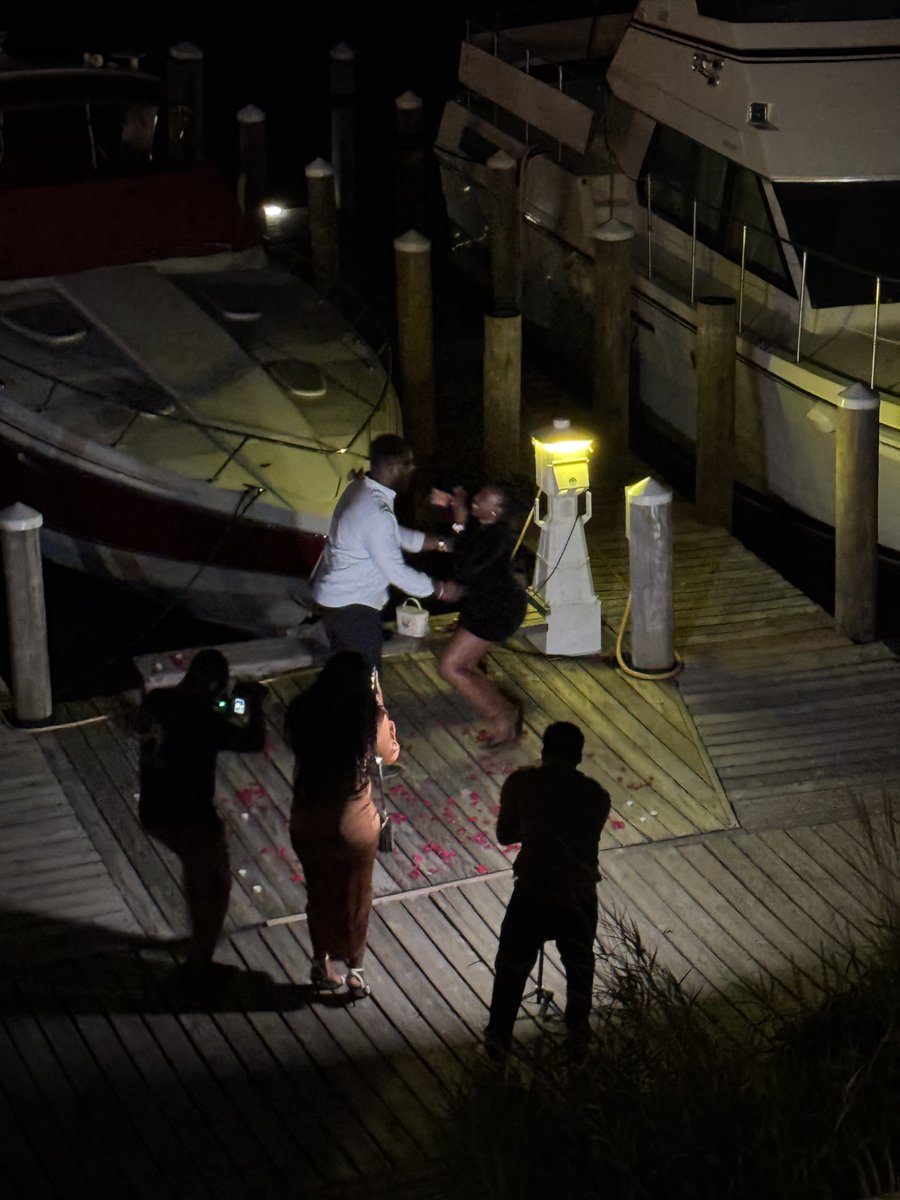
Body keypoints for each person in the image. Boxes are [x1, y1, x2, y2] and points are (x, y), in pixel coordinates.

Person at [136, 649, 267, 982]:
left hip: (154, 809)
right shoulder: (205, 721)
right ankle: (198, 968)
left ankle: (197, 948)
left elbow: (216, 718)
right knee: (214, 887)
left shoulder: (158, 700)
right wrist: (254, 706)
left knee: (197, 873)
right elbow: (251, 740)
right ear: (213, 685)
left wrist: (231, 704)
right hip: (191, 817)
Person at [485, 721, 611, 1058]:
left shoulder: (523, 783)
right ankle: (578, 1037)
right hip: (577, 891)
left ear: (544, 752)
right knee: (580, 966)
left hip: (534, 888)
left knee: (512, 966)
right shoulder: (597, 796)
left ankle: (498, 1038)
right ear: (579, 757)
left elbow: (506, 835)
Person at [284, 651, 401, 1000]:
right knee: (356, 897)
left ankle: (321, 964)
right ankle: (355, 971)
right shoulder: (369, 717)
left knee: (318, 892)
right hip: (353, 821)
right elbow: (390, 754)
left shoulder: (301, 710)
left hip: (309, 815)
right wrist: (381, 705)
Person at [313, 434, 462, 674]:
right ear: (392, 468)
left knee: (346, 677)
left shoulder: (361, 489)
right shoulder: (375, 511)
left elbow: (388, 534)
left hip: (340, 602)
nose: (412, 469)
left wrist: (437, 543)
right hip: (352, 610)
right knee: (366, 684)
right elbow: (395, 571)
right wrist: (439, 589)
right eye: (408, 463)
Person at [431, 481, 528, 746]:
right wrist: (458, 517)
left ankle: (502, 715)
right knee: (465, 666)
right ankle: (502, 714)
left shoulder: (499, 537)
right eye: (478, 495)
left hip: (498, 609)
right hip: (483, 606)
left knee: (451, 667)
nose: (475, 500)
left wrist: (460, 517)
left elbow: (464, 568)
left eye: (482, 500)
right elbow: (461, 550)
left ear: (496, 512)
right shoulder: (483, 528)